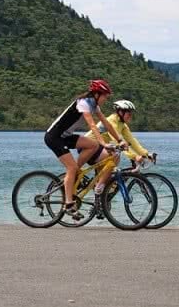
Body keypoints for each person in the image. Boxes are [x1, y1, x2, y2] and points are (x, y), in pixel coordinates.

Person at [44, 79, 126, 219]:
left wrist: (119, 140)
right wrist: (104, 144)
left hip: (65, 136)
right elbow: (92, 126)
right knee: (71, 167)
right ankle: (68, 204)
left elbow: (106, 124)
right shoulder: (83, 103)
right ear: (96, 94)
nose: (106, 99)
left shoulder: (94, 105)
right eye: (105, 96)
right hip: (54, 137)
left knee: (92, 145)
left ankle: (76, 172)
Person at [84, 99, 155, 213]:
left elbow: (132, 141)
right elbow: (117, 143)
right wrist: (134, 157)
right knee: (115, 156)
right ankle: (98, 190)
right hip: (88, 148)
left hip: (100, 150)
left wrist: (146, 154)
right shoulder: (112, 121)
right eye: (128, 112)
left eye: (131, 113)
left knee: (109, 174)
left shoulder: (123, 125)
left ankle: (98, 202)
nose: (130, 115)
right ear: (120, 112)